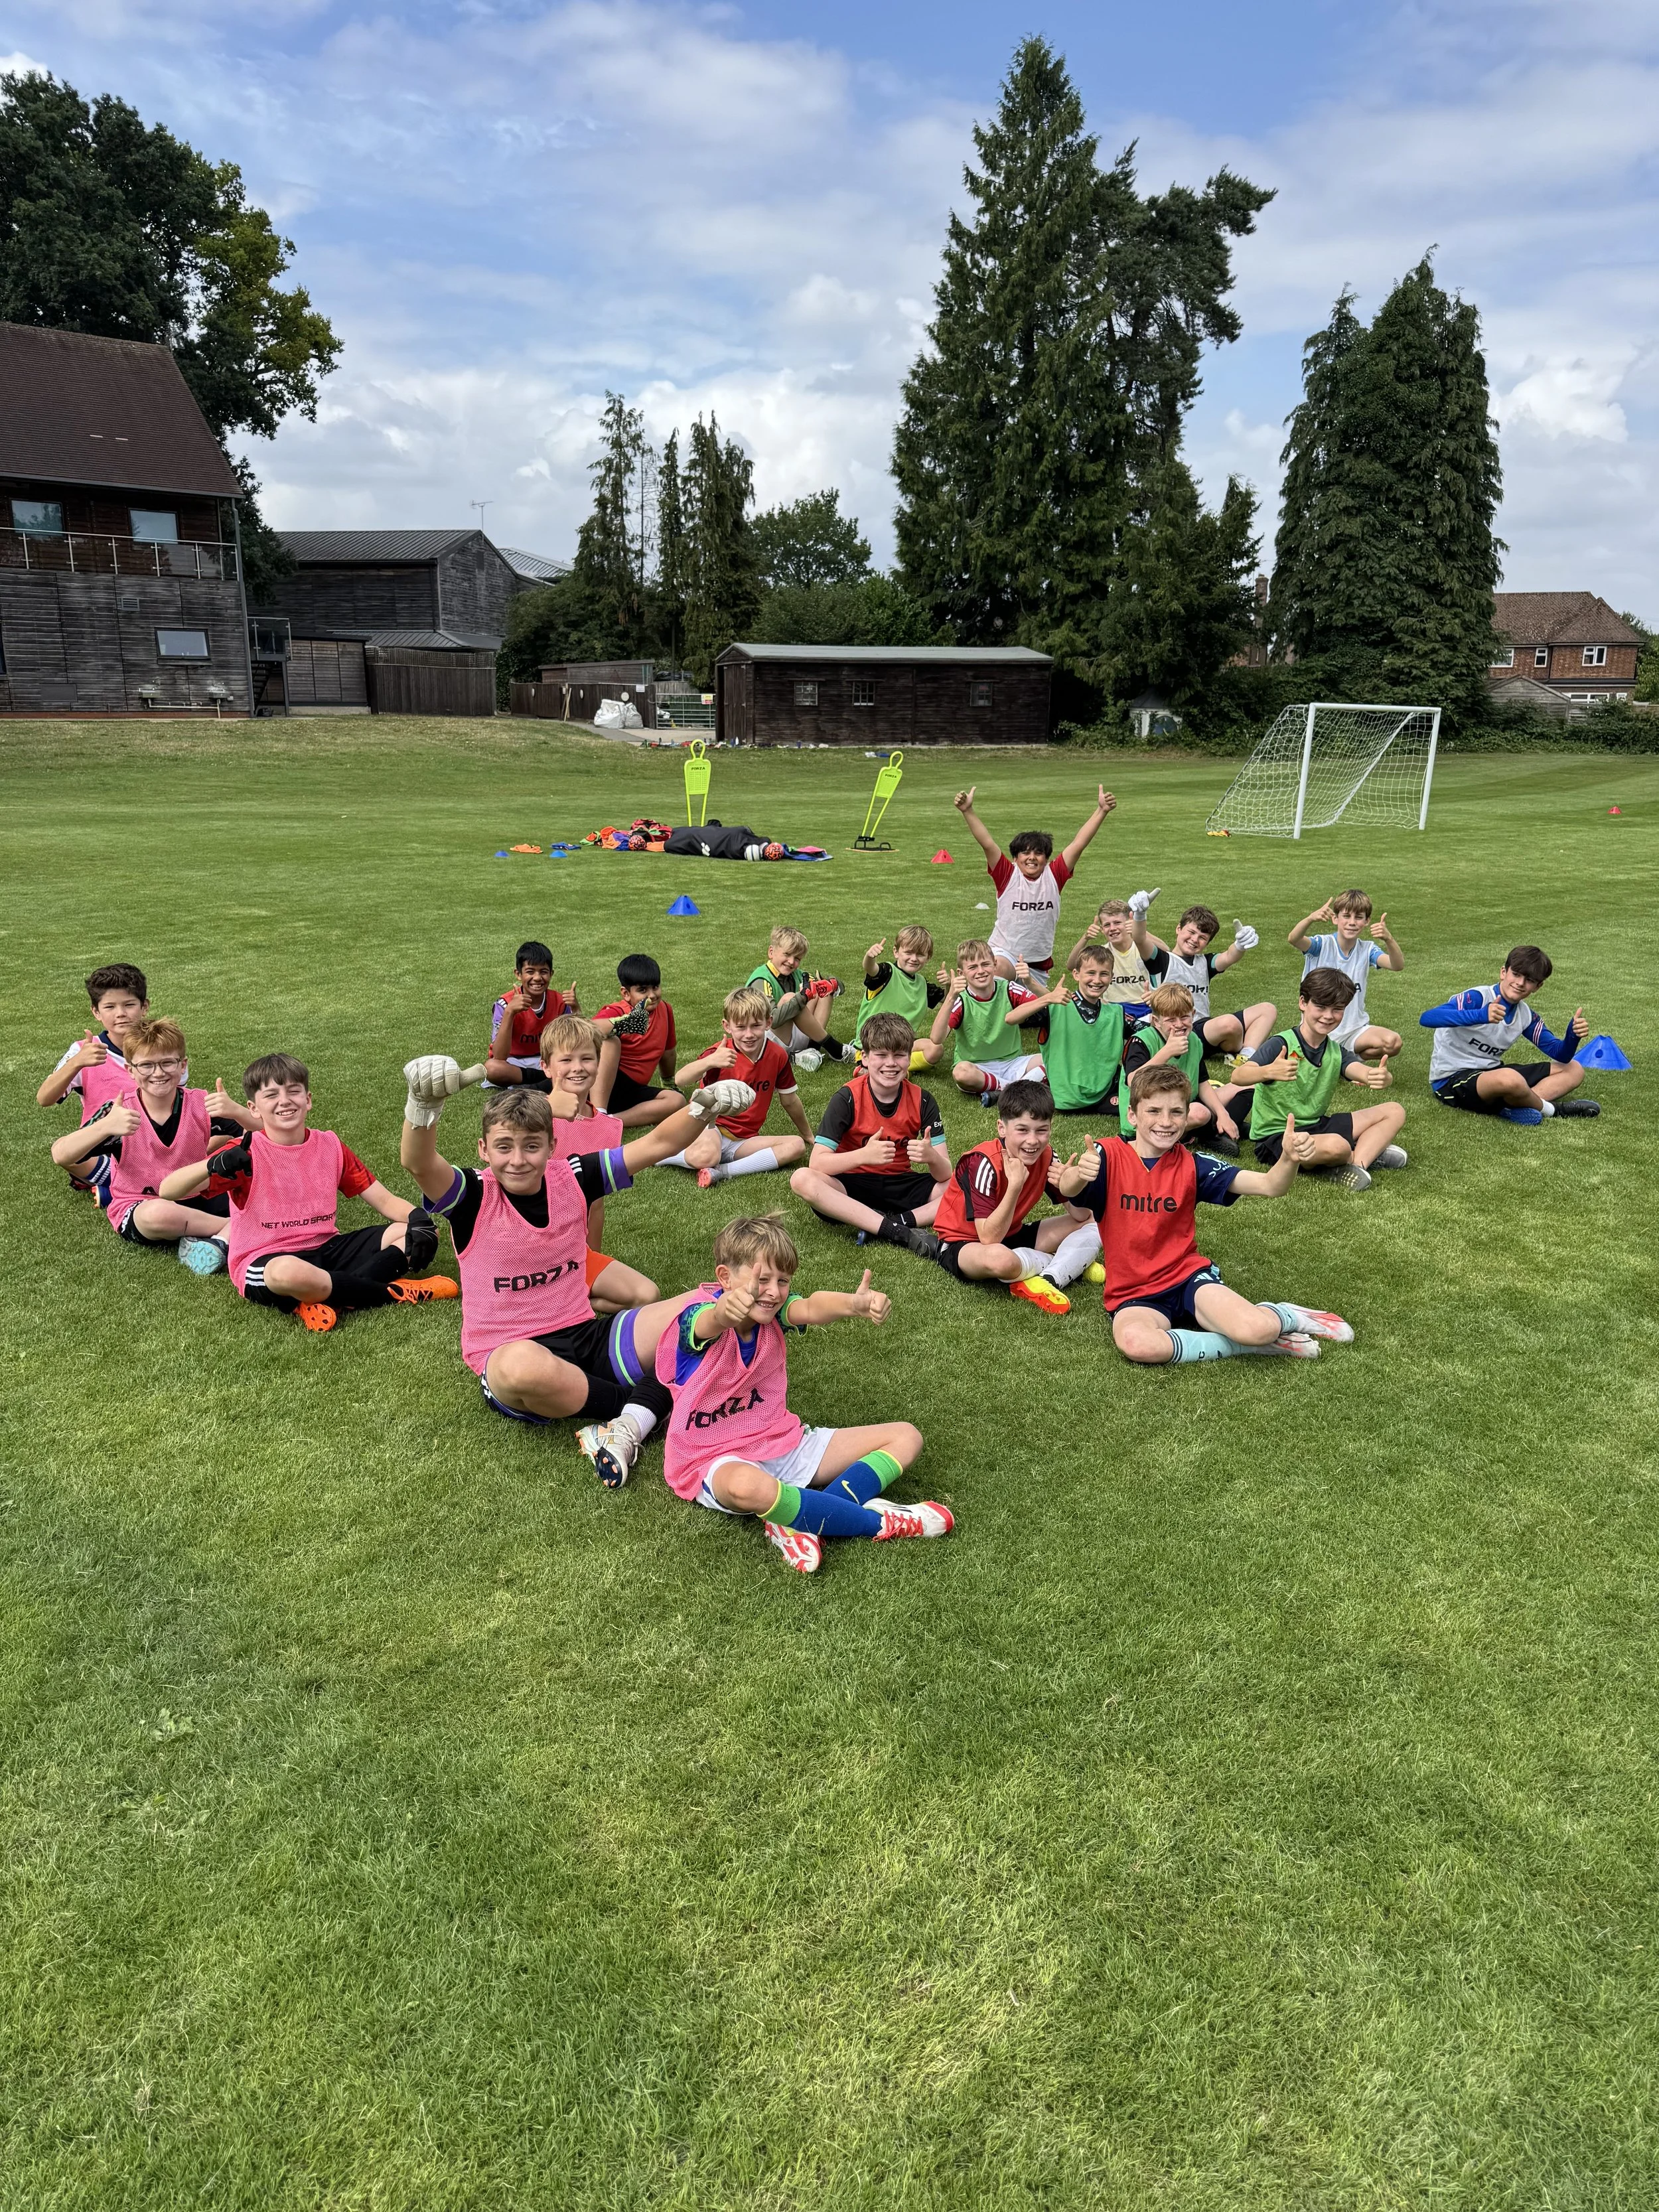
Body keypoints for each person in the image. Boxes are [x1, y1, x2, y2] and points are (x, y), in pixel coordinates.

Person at [399, 1057, 757, 1485]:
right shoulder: (472, 1194)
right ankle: (645, 1406)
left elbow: (658, 1144)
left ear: (552, 1146)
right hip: (513, 1350)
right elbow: (419, 1163)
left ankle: (644, 1410)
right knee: (520, 1367)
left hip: (586, 1334)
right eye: (504, 1146)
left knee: (708, 1305)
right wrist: (421, 1106)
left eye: (532, 1145)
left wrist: (704, 1109)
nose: (518, 1159)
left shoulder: (574, 1175)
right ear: (483, 1149)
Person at [655, 1211, 952, 1575]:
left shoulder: (775, 1312)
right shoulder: (697, 1320)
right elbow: (707, 1321)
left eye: (782, 1280)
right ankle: (880, 1523)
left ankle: (798, 1518)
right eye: (762, 1279)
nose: (773, 1291)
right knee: (749, 1487)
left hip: (780, 1441)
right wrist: (722, 1313)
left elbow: (810, 1306)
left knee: (906, 1437)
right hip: (712, 1457)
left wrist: (853, 1305)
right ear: (725, 1277)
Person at [1072, 1063, 1354, 1364]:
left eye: (1176, 1112)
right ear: (1132, 1115)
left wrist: (1289, 1158)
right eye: (1154, 1111)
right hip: (1133, 1292)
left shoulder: (1194, 1165)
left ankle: (1287, 1315)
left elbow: (1270, 1186)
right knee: (1138, 1345)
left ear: (1187, 1115)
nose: (1166, 1122)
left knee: (1258, 1328)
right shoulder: (1108, 1156)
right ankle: (1252, 1346)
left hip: (1186, 1276)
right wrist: (1078, 1174)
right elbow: (1071, 1191)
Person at [159, 1052, 454, 1331]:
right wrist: (212, 1165)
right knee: (289, 1272)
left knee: (414, 1233)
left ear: (309, 1099)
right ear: (253, 1108)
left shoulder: (330, 1145)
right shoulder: (243, 1153)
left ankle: (323, 1297)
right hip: (267, 1258)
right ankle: (393, 1292)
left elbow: (384, 1199)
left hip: (326, 1247)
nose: (284, 1101)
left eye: (293, 1091)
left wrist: (419, 1218)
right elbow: (168, 1190)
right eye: (271, 1095)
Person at [48, 1017, 250, 1272]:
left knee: (263, 1186)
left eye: (168, 1063)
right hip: (140, 1205)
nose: (158, 1073)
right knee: (158, 1215)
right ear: (130, 1070)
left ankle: (220, 1241)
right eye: (146, 1065)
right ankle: (232, 1229)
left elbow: (268, 1136)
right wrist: (106, 1127)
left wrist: (238, 1112)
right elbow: (61, 1155)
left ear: (183, 1066)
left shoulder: (201, 1103)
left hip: (197, 1194)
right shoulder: (119, 1112)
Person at [930, 1077, 1103, 1315]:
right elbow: (989, 1238)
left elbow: (1082, 1215)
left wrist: (1074, 1181)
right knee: (1001, 1260)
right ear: (1002, 1128)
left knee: (1095, 1222)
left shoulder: (1047, 1156)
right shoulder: (982, 1162)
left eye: (1042, 1130)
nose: (1033, 1141)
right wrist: (1014, 1187)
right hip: (965, 1245)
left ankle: (1050, 1277)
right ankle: (1069, 1262)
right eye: (1022, 1130)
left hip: (1011, 1234)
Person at [1230, 970, 1407, 1191]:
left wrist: (1379, 1077)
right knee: (1337, 1146)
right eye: (1321, 1007)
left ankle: (1357, 1164)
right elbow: (1238, 1076)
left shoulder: (1335, 1050)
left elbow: (1360, 1071)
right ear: (1303, 1003)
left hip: (1318, 1126)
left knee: (1394, 1111)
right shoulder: (1282, 1044)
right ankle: (1363, 1153)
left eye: (1337, 1009)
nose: (1328, 1016)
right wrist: (1269, 1071)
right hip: (1277, 1138)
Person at [789, 1013, 950, 1253]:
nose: (891, 1064)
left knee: (962, 1184)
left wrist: (931, 1157)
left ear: (909, 1058)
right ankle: (896, 1230)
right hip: (851, 1185)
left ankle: (897, 1221)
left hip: (901, 1184)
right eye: (881, 1055)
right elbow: (818, 1163)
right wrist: (863, 1156)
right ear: (864, 1058)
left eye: (899, 1055)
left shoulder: (923, 1099)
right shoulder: (847, 1098)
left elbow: (945, 1173)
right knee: (801, 1179)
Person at [540, 1012, 660, 1315]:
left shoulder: (607, 1128)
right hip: (529, 1247)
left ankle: (568, 1300)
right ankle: (550, 1297)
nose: (578, 1068)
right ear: (546, 1066)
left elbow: (595, 1205)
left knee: (648, 1296)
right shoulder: (532, 1116)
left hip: (574, 1252)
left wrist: (592, 1258)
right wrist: (545, 1110)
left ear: (599, 1063)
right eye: (566, 1060)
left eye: (587, 1059)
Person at [951, 782, 1115, 985]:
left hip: (1037, 963)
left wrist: (1102, 810)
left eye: (1038, 853)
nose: (1032, 858)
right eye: (1025, 853)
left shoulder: (1055, 875)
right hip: (1005, 954)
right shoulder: (1007, 874)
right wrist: (968, 811)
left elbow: (1079, 843)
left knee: (1038, 1014)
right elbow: (987, 843)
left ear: (1046, 858)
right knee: (998, 973)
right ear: (1015, 858)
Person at [1419, 945, 1597, 1124]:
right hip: (1451, 1081)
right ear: (1504, 972)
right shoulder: (1478, 998)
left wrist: (1572, 1037)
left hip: (1492, 1074)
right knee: (1510, 1079)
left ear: (1538, 986)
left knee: (1574, 1069)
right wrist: (1480, 1015)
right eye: (1516, 974)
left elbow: (1560, 1054)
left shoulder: (1526, 1015)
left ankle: (1514, 1107)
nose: (1520, 983)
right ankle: (1552, 1110)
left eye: (1529, 980)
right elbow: (1428, 1018)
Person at [668, 986, 814, 1187]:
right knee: (708, 1155)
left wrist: (807, 1135)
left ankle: (724, 1171)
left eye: (756, 1026)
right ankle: (663, 1155)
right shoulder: (721, 1053)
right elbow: (680, 1079)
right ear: (727, 1026)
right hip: (711, 1128)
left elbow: (790, 1100)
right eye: (741, 1027)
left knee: (796, 1146)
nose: (749, 1034)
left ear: (769, 1022)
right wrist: (710, 1061)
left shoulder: (778, 1055)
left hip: (744, 1140)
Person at [1116, 893, 1275, 1071]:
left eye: (1202, 937)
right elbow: (1139, 938)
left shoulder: (1204, 963)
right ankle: (1241, 1044)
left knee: (1268, 1009)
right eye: (1191, 932)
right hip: (1183, 1030)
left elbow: (1229, 956)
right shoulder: (1162, 961)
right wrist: (1140, 914)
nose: (1194, 940)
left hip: (1205, 1027)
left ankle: (1246, 1056)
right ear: (1178, 929)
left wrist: (1240, 945)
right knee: (1230, 1023)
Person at [36, 961, 153, 1197]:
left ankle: (117, 1187)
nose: (121, 1013)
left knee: (219, 1135)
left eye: (129, 1005)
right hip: (105, 1145)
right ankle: (124, 1184)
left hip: (154, 1141)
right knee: (69, 1153)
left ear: (144, 1007)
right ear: (96, 1012)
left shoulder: (159, 1046)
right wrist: (77, 1063)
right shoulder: (85, 1050)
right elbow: (44, 1098)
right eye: (110, 1007)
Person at [1118, 984, 1240, 1151]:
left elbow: (1202, 1082)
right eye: (1170, 1020)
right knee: (1199, 1112)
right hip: (1145, 1118)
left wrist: (1222, 1114)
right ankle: (1204, 1135)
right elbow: (1134, 1081)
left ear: (1193, 1015)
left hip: (1179, 1105)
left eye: (1184, 1017)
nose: (1179, 1024)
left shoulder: (1194, 1041)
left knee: (1244, 1087)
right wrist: (1167, 1051)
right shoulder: (1141, 1041)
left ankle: (1222, 1125)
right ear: (1156, 1021)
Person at [1011, 942, 1125, 1118]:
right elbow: (1011, 1019)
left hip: (1092, 1093)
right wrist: (1045, 996)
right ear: (1076, 975)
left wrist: (1155, 1007)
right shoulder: (1055, 1007)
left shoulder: (1115, 1013)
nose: (1097, 980)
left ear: (1112, 977)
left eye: (1104, 974)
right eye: (1091, 973)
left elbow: (1147, 1033)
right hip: (1072, 1098)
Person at [928, 937, 1045, 1107]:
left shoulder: (1008, 988)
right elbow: (936, 1038)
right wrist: (951, 996)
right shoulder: (962, 1000)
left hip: (1012, 1062)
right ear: (962, 973)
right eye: (973, 967)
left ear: (995, 965)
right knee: (961, 1073)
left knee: (1050, 1059)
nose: (980, 971)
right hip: (977, 1068)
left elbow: (1045, 1006)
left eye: (985, 964)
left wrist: (1030, 982)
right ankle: (1016, 1088)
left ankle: (1002, 1092)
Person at [1287, 890, 1403, 1059]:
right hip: (1320, 1027)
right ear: (1335, 918)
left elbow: (1397, 965)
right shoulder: (1322, 944)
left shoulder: (1368, 949)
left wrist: (1389, 939)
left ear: (1367, 921)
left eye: (1359, 917)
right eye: (1346, 916)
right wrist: (1310, 918)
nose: (1352, 922)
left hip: (1354, 1030)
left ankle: (1350, 1061)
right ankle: (1339, 1061)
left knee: (1393, 1042)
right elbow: (1294, 939)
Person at [589, 954, 683, 1126]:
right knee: (610, 1040)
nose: (652, 995)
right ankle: (598, 1112)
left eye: (655, 987)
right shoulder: (618, 1011)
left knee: (677, 1101)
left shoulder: (665, 1010)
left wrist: (669, 1082)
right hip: (602, 1084)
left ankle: (609, 1123)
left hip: (632, 1091)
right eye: (643, 990)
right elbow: (586, 1028)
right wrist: (625, 1023)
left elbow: (668, 1053)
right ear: (626, 993)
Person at [743, 925, 852, 1070]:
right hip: (761, 1042)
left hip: (785, 1036)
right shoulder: (761, 979)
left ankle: (812, 1048)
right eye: (787, 954)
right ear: (771, 952)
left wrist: (832, 984)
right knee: (790, 998)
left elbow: (839, 988)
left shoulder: (797, 974)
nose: (791, 961)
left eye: (797, 958)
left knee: (822, 990)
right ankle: (834, 1049)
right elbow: (772, 1021)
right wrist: (801, 998)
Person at [484, 940, 579, 1088]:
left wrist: (576, 1010)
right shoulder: (504, 1004)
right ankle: (546, 1081)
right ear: (518, 974)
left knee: (583, 1060)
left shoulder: (560, 1001)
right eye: (530, 971)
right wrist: (510, 1012)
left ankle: (538, 1082)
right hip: (513, 1062)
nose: (537, 978)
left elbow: (576, 1042)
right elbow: (499, 1056)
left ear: (551, 974)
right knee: (492, 1069)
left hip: (548, 1060)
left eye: (543, 972)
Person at [855, 927, 946, 1067]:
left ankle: (894, 1068)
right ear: (896, 952)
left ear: (928, 957)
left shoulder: (922, 984)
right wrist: (869, 957)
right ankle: (872, 1063)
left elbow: (947, 999)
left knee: (936, 1049)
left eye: (920, 954)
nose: (914, 958)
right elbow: (871, 969)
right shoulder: (887, 973)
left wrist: (949, 985)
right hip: (874, 1044)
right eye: (908, 952)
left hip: (901, 1045)